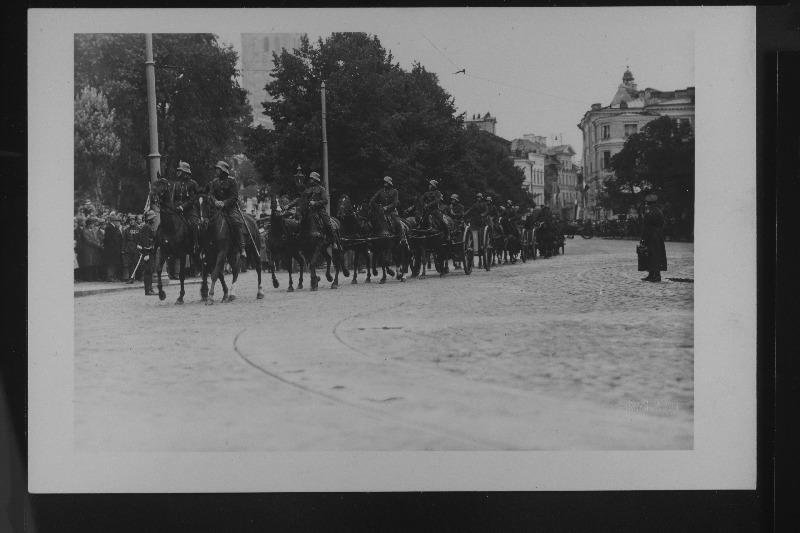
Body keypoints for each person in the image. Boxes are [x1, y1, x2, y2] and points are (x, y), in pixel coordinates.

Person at [284, 171, 339, 249]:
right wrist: (289, 205)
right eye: (310, 178)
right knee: (299, 222)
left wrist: (315, 203)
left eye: (312, 178)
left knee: (327, 223)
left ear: (315, 179)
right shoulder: (307, 190)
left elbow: (325, 201)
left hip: (319, 210)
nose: (310, 180)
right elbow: (300, 199)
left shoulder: (321, 189)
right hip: (308, 210)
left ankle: (333, 242)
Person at [209, 161, 247, 259]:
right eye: (216, 169)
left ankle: (242, 248)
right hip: (217, 209)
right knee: (207, 222)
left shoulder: (232, 181)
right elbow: (211, 194)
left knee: (236, 222)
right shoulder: (214, 182)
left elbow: (234, 197)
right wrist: (215, 201)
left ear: (223, 170)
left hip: (230, 208)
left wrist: (224, 203)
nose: (216, 171)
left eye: (218, 169)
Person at [369, 176, 407, 244]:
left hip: (391, 212)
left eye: (386, 182)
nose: (385, 183)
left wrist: (386, 207)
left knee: (397, 222)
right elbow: (373, 199)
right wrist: (372, 203)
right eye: (384, 182)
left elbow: (395, 203)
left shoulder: (394, 191)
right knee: (373, 221)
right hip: (381, 211)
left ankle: (402, 237)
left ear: (389, 183)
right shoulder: (380, 191)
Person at [173, 161, 201, 253]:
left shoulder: (193, 184)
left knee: (194, 224)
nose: (178, 172)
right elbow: (174, 198)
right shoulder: (176, 183)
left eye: (180, 171)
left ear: (185, 172)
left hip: (189, 210)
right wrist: (173, 207)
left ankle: (195, 244)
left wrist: (182, 207)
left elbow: (193, 200)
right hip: (176, 210)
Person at [640, 194, 668, 282]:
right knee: (656, 255)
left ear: (648, 204)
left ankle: (655, 275)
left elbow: (645, 227)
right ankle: (653, 274)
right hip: (657, 235)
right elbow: (662, 224)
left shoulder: (649, 213)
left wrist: (643, 239)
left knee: (651, 255)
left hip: (650, 236)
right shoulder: (659, 212)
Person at [137, 210, 158, 295]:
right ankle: (148, 289)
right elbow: (144, 241)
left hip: (151, 251)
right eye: (152, 217)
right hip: (148, 252)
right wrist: (146, 253)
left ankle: (150, 288)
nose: (154, 219)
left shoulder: (150, 226)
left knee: (151, 270)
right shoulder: (146, 227)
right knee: (148, 271)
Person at [79, 216, 102, 281]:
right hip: (88, 249)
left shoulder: (93, 231)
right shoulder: (85, 231)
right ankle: (88, 277)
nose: (92, 225)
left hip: (94, 249)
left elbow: (96, 238)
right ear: (88, 224)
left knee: (94, 263)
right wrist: (96, 244)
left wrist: (98, 243)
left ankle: (94, 277)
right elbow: (88, 240)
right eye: (91, 224)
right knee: (89, 264)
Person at [102, 214, 124, 281]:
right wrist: (109, 246)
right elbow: (106, 239)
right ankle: (110, 277)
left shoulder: (114, 227)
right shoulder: (109, 227)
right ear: (113, 221)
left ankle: (113, 276)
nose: (117, 222)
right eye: (116, 220)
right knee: (111, 263)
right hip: (111, 249)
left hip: (115, 249)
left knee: (114, 263)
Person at [122, 215, 141, 282]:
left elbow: (140, 239)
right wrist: (123, 249)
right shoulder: (126, 229)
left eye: (133, 220)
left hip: (136, 248)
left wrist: (140, 246)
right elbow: (124, 240)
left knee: (136, 263)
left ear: (135, 221)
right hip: (128, 247)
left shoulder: (139, 229)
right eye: (130, 220)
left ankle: (139, 277)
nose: (132, 222)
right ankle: (131, 278)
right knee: (130, 264)